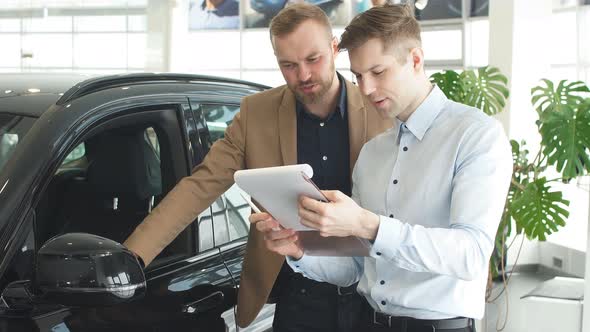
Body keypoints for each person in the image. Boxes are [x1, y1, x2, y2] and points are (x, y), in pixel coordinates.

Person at [123, 3, 390, 331]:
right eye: (288, 65)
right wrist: (133, 256)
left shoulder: (381, 107)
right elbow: (200, 185)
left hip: (374, 293)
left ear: (335, 48)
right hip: (296, 290)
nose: (303, 75)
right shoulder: (256, 113)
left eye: (313, 59)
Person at [254, 4, 513, 332]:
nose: (366, 88)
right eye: (358, 76)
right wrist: (300, 251)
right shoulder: (373, 153)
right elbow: (358, 268)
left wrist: (368, 225)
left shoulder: (475, 135)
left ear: (415, 60)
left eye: (378, 72)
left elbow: (471, 254)